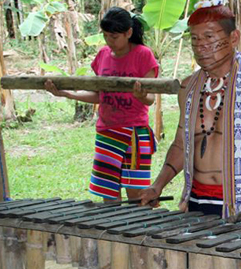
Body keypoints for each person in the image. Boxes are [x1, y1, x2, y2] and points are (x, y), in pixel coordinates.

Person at [138, 0, 241, 220]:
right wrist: (157, 186)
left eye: (209, 37)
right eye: (194, 39)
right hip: (196, 202)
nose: (200, 47)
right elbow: (181, 145)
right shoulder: (188, 87)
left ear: (234, 38)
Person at [45, 7, 160, 203]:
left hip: (133, 132)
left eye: (114, 36)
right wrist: (66, 93)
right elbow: (99, 95)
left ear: (128, 33)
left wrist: (140, 96)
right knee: (109, 196)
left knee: (137, 196)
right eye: (106, 36)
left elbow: (150, 99)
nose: (109, 41)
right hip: (107, 132)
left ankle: (140, 233)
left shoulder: (143, 55)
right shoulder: (103, 55)